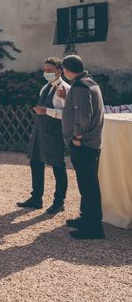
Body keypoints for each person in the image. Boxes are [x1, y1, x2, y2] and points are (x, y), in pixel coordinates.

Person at [61, 55, 106, 240]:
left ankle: (94, 228)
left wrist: (77, 137)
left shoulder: (79, 86)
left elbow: (83, 116)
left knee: (88, 185)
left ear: (66, 69)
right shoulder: (89, 82)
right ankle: (86, 217)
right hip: (92, 142)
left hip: (84, 143)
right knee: (87, 183)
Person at [17, 57, 70, 214]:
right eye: (44, 70)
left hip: (54, 132)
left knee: (58, 166)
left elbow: (68, 115)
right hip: (40, 130)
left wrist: (47, 111)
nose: (46, 73)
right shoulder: (44, 88)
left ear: (59, 71)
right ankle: (36, 199)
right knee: (36, 163)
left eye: (49, 70)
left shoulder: (66, 89)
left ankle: (59, 202)